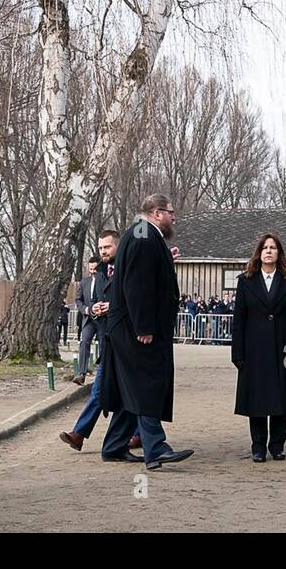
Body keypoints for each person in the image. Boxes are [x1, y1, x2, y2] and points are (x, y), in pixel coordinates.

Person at [100, 194, 194, 470]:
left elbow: (143, 274)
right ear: (156, 213)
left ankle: (115, 445)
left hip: (126, 326)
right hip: (135, 328)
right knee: (146, 383)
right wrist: (143, 326)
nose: (173, 217)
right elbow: (137, 284)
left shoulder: (143, 234)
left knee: (130, 385)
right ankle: (156, 447)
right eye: (170, 212)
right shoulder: (143, 235)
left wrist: (166, 258)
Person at [60, 231, 142, 452]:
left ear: (118, 247)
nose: (103, 251)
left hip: (127, 341)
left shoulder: (129, 269)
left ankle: (140, 433)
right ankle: (79, 433)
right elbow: (97, 302)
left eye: (108, 247)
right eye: (100, 248)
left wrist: (112, 308)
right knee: (99, 389)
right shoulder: (100, 273)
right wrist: (95, 310)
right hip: (108, 342)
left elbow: (135, 301)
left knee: (132, 390)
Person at [231, 233, 286, 462]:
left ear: (279, 253)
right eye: (265, 247)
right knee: (256, 398)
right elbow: (239, 320)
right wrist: (238, 353)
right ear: (259, 253)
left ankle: (277, 445)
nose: (269, 251)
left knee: (282, 396)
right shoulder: (246, 281)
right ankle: (258, 446)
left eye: (273, 247)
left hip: (285, 347)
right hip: (255, 349)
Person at [73, 257, 100, 385]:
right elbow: (78, 300)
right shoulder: (84, 282)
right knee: (84, 342)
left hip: (103, 319)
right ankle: (81, 374)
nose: (93, 272)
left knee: (105, 345)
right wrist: (86, 310)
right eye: (91, 269)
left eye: (95, 269)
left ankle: (104, 373)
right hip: (88, 319)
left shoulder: (105, 280)